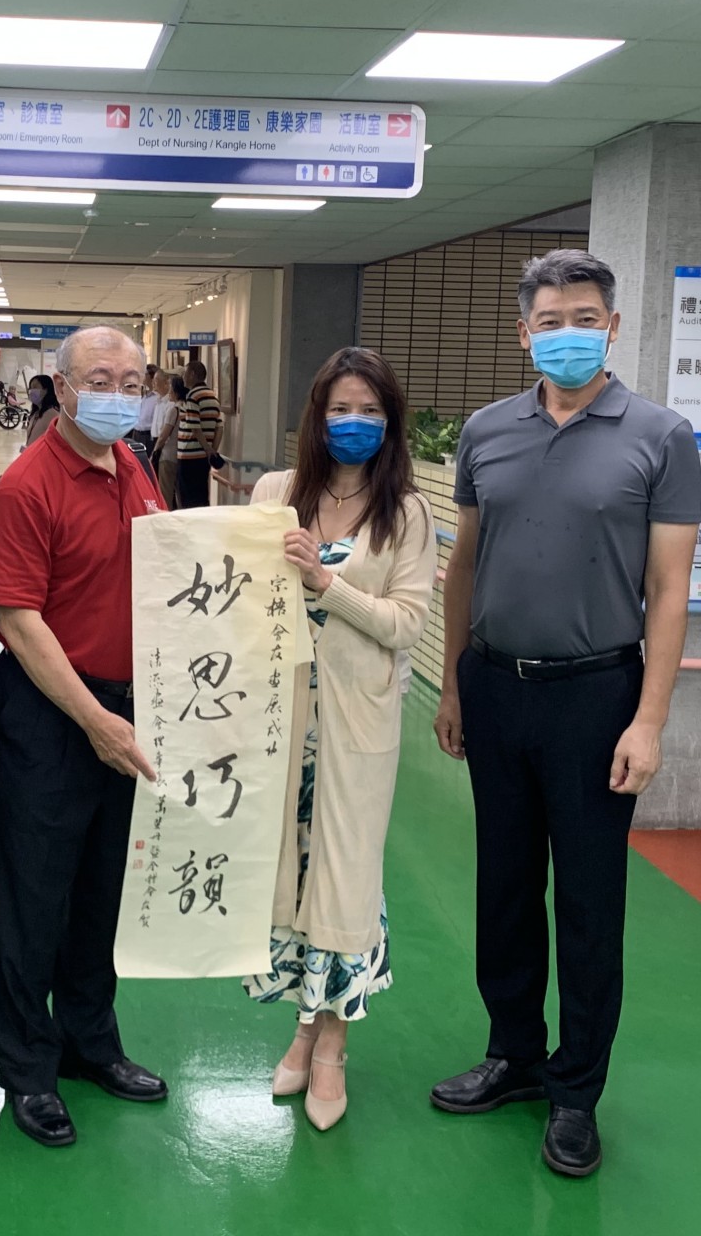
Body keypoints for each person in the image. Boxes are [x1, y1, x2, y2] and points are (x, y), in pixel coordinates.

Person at [430, 250, 699, 1179]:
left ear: (612, 327)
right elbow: (464, 565)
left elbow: (670, 589)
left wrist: (649, 719)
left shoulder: (661, 436)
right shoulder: (486, 431)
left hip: (597, 695)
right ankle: (513, 1053)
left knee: (588, 901)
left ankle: (576, 1090)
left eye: (585, 319)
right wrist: (455, 684)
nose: (568, 334)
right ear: (524, 333)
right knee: (504, 886)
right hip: (496, 685)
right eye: (550, 321)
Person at [0, 325, 169, 1148]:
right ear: (60, 389)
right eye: (99, 379)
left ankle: (91, 1042)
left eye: (131, 383)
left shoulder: (135, 468)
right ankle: (29, 1071)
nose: (117, 396)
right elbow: (18, 620)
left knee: (100, 894)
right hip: (49, 717)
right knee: (29, 901)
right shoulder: (27, 487)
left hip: (127, 711)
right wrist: (93, 719)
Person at [242, 348, 435, 1130]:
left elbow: (406, 624)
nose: (354, 423)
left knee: (346, 881)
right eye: (340, 409)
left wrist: (328, 584)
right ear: (316, 416)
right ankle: (301, 1027)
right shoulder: (275, 495)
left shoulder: (406, 513)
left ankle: (332, 1047)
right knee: (291, 876)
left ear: (391, 422)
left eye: (370, 411)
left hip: (357, 723)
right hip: (282, 722)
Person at [175, 359, 223, 510]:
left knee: (188, 499)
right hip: (203, 458)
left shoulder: (193, 396)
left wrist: (208, 449)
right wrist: (212, 450)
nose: (183, 377)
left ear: (192, 374)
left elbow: (194, 427)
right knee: (201, 496)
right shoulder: (213, 396)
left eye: (185, 373)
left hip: (189, 456)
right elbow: (219, 427)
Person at [152, 374, 184, 508]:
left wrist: (154, 452)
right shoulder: (187, 408)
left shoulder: (174, 410)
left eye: (171, 388)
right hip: (181, 455)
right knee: (179, 495)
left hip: (168, 455)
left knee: (165, 493)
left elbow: (163, 436)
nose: (169, 391)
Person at [128, 365, 160, 473]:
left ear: (152, 377)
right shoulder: (145, 397)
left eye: (145, 375)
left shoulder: (157, 398)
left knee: (146, 468)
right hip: (137, 434)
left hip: (147, 436)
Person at [24, 373, 60, 447]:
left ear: (45, 390)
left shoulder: (52, 414)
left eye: (35, 387)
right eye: (30, 388)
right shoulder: (36, 413)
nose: (31, 391)